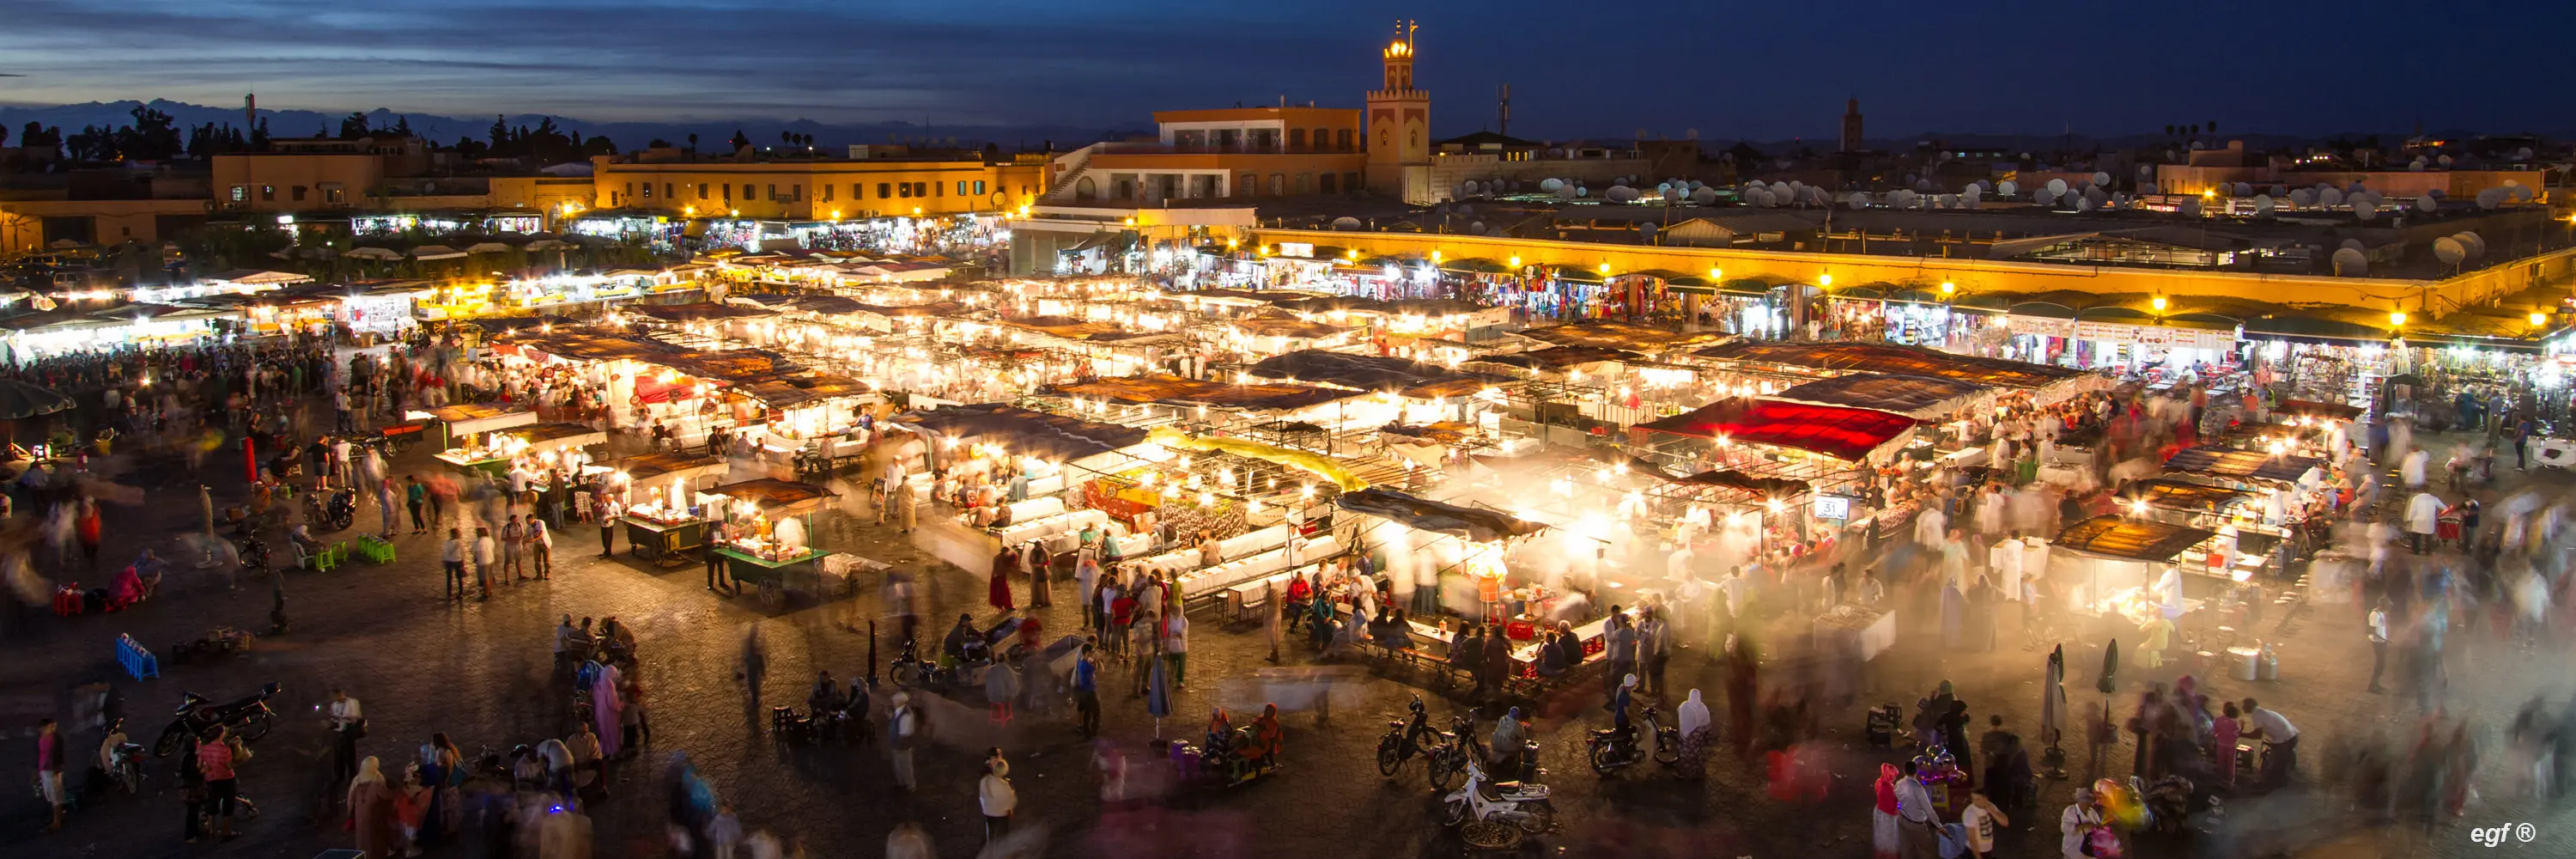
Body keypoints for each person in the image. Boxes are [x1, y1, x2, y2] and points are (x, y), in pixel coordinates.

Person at [2243, 698, 2299, 789]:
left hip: (2285, 740)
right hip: (2291, 735)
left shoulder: (2256, 715)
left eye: (2244, 705)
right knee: (2279, 760)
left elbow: (2257, 735)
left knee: (2273, 763)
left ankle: (2267, 785)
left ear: (2249, 706)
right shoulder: (2262, 712)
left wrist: (2241, 734)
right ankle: (2280, 779)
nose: (2242, 707)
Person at [199, 725, 240, 842]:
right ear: (222, 734)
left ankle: (212, 831)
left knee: (212, 805)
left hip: (212, 780)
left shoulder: (204, 749)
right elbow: (228, 766)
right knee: (228, 805)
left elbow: (201, 766)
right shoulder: (225, 749)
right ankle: (226, 832)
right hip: (226, 779)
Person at [1893, 758, 1939, 859]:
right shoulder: (1918, 788)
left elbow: (1895, 799)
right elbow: (1929, 809)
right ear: (1916, 772)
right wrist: (1939, 825)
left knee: (1906, 851)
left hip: (1902, 820)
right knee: (1927, 851)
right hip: (1916, 824)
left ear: (1904, 771)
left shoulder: (1899, 784)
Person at [327, 687, 365, 788]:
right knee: (338, 756)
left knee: (350, 756)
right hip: (338, 732)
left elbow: (356, 716)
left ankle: (352, 777)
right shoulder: (333, 705)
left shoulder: (352, 702)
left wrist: (343, 718)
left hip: (348, 732)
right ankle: (340, 775)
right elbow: (333, 717)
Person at [978, 753, 1017, 844]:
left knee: (990, 831)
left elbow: (981, 796)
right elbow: (1009, 803)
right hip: (1001, 814)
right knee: (1003, 833)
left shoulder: (985, 780)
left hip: (988, 812)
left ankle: (990, 847)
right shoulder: (1005, 785)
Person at [887, 692, 922, 791]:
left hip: (902, 745)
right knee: (898, 765)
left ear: (900, 702)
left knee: (906, 765)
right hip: (896, 743)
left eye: (894, 701)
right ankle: (901, 782)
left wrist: (899, 745)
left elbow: (905, 733)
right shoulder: (898, 711)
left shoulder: (906, 716)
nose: (892, 702)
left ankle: (910, 785)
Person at [35, 717, 64, 832]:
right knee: (51, 794)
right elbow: (39, 753)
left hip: (52, 769)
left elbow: (59, 754)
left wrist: (57, 767)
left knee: (55, 794)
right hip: (44, 769)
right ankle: (59, 817)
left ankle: (57, 821)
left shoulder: (56, 738)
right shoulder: (41, 739)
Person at [2058, 789, 2105, 859]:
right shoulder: (2070, 811)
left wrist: (2099, 827)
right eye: (2087, 801)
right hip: (2073, 852)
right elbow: (2065, 829)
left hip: (2090, 853)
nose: (2089, 804)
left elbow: (2099, 826)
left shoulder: (2092, 812)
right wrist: (2084, 826)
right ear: (2080, 801)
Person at [1676, 688, 1712, 778]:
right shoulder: (1702, 707)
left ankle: (1687, 775)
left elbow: (1684, 722)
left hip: (1689, 739)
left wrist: (1686, 735)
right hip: (1699, 737)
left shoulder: (1685, 707)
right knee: (1698, 755)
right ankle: (1699, 773)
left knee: (1687, 756)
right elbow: (1707, 723)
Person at [1871, 762, 1903, 859]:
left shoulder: (1879, 782)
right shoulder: (1888, 789)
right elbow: (1893, 806)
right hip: (1888, 816)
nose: (1895, 778)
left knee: (1880, 836)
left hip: (1879, 812)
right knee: (1889, 838)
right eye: (1894, 775)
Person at [1490, 707, 1528, 772]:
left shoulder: (1502, 719)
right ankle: (1515, 761)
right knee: (1522, 742)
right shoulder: (1517, 725)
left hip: (1495, 744)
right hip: (1506, 747)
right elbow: (1522, 736)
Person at [2367, 596, 2391, 693]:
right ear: (2383, 605)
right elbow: (2372, 631)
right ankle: (2372, 686)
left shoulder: (2382, 613)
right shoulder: (2375, 614)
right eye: (2388, 605)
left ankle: (2376, 684)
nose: (2389, 607)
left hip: (2381, 642)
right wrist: (2385, 640)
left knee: (2381, 665)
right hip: (2377, 643)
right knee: (2379, 665)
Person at [440, 527, 467, 600]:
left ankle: (449, 594)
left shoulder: (446, 543)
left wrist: (444, 560)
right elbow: (463, 553)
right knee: (459, 578)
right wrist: (463, 562)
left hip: (449, 562)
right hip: (458, 561)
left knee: (449, 578)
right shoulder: (459, 542)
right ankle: (461, 593)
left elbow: (444, 553)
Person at [471, 526, 496, 598]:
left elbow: (476, 552)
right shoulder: (490, 539)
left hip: (483, 562)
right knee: (490, 576)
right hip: (490, 560)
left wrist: (476, 558)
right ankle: (490, 590)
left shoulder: (479, 542)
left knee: (485, 578)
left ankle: (486, 593)